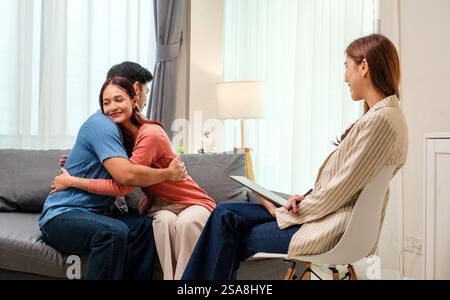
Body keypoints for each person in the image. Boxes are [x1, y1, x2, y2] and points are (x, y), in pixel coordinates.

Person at [181, 34, 409, 280]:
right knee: (224, 213)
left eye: (346, 67)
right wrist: (302, 199)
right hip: (325, 214)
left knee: (226, 228)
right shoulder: (384, 116)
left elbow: (342, 189)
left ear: (364, 66)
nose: (345, 77)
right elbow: (345, 184)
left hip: (330, 227)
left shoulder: (381, 121)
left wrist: (289, 211)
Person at [51, 77, 216, 280]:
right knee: (155, 224)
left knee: (180, 224)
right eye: (106, 102)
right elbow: (118, 167)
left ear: (134, 100)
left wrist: (72, 180)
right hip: (160, 205)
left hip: (190, 200)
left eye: (118, 99)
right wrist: (77, 163)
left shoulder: (150, 134)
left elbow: (125, 182)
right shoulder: (120, 136)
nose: (112, 107)